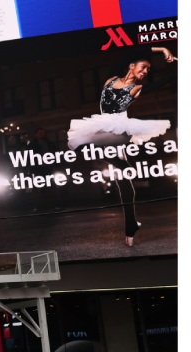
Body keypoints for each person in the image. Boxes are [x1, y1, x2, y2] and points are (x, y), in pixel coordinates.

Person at [67, 46, 177, 247]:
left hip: (119, 130)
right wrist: (161, 49)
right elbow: (132, 52)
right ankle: (131, 225)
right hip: (102, 127)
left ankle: (129, 221)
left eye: (147, 71)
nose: (144, 72)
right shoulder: (111, 79)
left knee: (122, 172)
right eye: (143, 67)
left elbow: (165, 81)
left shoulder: (138, 89)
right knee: (79, 144)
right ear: (132, 66)